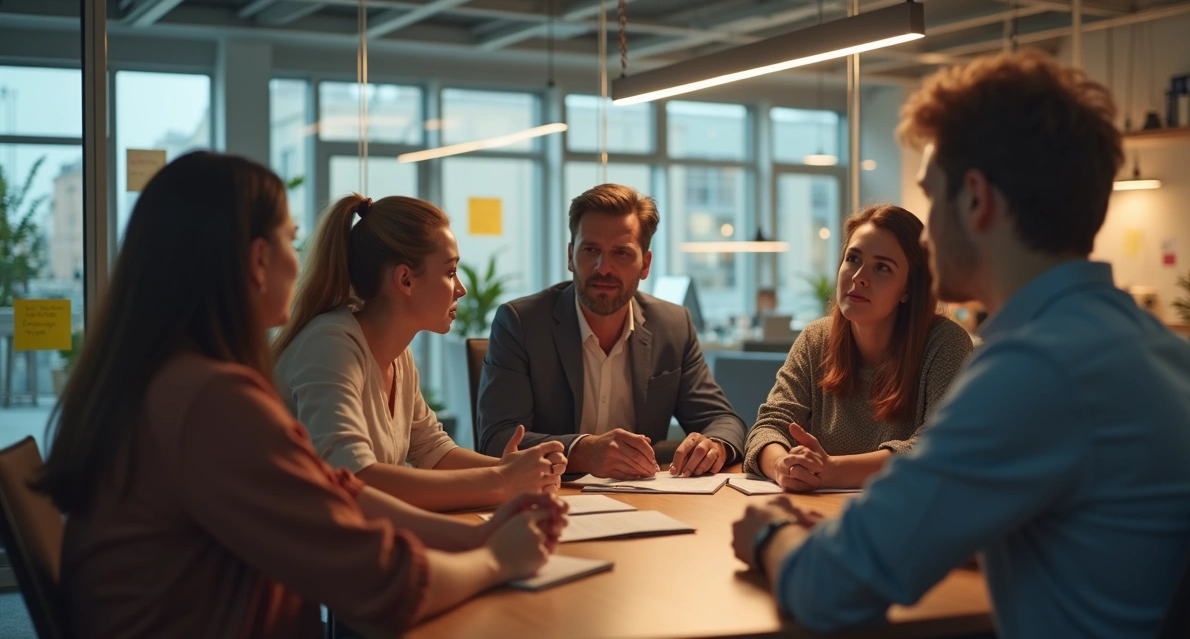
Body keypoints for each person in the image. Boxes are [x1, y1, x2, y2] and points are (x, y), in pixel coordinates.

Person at [731, 50, 1190, 638]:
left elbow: (829, 588)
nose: (928, 232)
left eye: (933, 197)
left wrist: (768, 533)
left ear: (978, 201)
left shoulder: (1033, 370)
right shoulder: (1168, 355)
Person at [35, 151, 567, 638]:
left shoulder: (173, 380)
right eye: (291, 241)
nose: (300, 260)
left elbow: (334, 492)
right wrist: (497, 558)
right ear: (258, 260)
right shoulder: (212, 402)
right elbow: (379, 580)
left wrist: (479, 538)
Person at [273, 195, 567, 512]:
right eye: (451, 272)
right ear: (405, 279)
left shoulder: (399, 355)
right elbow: (354, 479)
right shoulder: (329, 345)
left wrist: (510, 471)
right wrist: (501, 481)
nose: (461, 289)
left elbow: (433, 451)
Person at [477, 184, 746, 479]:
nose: (603, 267)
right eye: (591, 250)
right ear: (570, 256)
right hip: (549, 496)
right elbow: (497, 438)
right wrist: (582, 450)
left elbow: (722, 420)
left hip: (643, 499)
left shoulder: (673, 325)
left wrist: (715, 446)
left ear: (645, 264)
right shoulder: (522, 323)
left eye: (621, 253)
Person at [743, 205, 972, 491]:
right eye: (853, 259)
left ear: (908, 289)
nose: (859, 277)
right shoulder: (816, 339)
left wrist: (831, 471)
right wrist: (782, 466)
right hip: (818, 512)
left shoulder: (945, 343)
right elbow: (769, 426)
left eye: (882, 267)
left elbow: (941, 447)